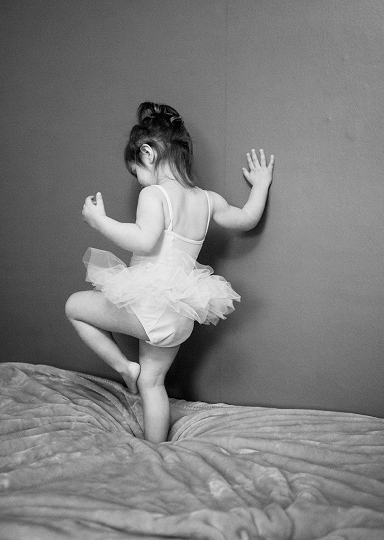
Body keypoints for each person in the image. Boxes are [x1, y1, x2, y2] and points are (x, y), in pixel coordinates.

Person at [64, 102, 273, 443]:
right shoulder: (208, 200)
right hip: (181, 314)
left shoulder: (154, 194)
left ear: (147, 152)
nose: (139, 179)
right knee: (153, 383)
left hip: (152, 307)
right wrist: (261, 184)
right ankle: (156, 448)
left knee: (74, 306)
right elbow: (247, 219)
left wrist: (100, 222)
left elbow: (144, 241)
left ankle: (124, 367)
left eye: (136, 171)